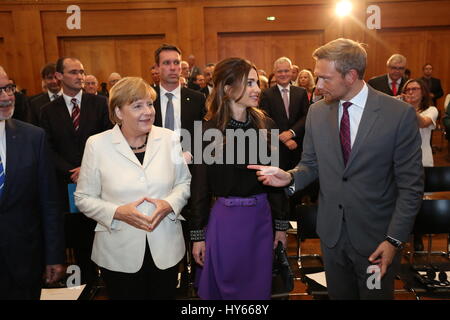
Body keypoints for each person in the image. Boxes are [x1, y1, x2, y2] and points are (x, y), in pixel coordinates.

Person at [249, 38, 423, 300]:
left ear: (351, 75)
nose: (317, 87)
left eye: (324, 78)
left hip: (377, 243)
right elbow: (310, 164)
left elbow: (411, 187)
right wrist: (289, 178)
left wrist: (394, 241)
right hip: (331, 239)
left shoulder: (397, 114)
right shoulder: (317, 113)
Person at [74, 77, 191, 300]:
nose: (148, 111)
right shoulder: (97, 145)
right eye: (137, 106)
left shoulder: (169, 139)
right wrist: (117, 212)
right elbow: (83, 198)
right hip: (118, 250)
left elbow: (183, 183)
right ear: (118, 112)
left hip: (165, 247)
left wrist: (168, 204)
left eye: (149, 104)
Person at [190, 57, 289, 300]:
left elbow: (277, 183)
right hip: (225, 222)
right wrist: (197, 236)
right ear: (227, 88)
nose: (258, 89)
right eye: (251, 83)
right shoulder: (206, 131)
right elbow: (200, 189)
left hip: (261, 221)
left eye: (257, 83)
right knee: (224, 289)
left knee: (257, 289)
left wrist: (281, 226)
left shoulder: (267, 125)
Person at [40, 57, 112, 288]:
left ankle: (108, 280)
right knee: (78, 237)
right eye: (73, 72)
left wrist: (87, 168)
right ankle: (85, 283)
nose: (80, 76)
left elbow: (109, 139)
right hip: (67, 183)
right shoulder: (47, 110)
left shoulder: (100, 103)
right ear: (59, 76)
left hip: (101, 180)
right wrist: (71, 170)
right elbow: (47, 148)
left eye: (82, 71)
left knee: (103, 233)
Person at [0, 67, 65, 299]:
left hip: (24, 262)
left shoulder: (33, 137)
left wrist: (54, 255)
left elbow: (49, 202)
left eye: (8, 88)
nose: (7, 97)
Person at [402, 78, 438, 252]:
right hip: (401, 160)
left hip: (422, 159)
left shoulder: (432, 110)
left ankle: (418, 236)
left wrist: (407, 107)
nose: (410, 92)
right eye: (407, 89)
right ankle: (401, 235)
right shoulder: (400, 110)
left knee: (420, 201)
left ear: (422, 92)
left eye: (414, 89)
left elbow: (422, 122)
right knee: (401, 200)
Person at [259, 57, 310, 170]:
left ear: (292, 72)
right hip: (276, 147)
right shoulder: (266, 94)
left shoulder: (301, 92)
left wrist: (292, 133)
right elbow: (265, 119)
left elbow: (306, 116)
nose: (283, 74)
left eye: (286, 71)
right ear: (274, 73)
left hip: (298, 145)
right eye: (279, 71)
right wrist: (284, 137)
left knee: (299, 180)